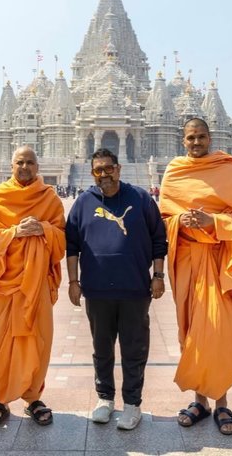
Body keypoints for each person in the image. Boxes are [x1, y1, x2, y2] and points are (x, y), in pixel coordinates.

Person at [158, 118, 232, 436]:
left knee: (219, 331)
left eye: (201, 136)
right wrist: (180, 222)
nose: (196, 142)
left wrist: (212, 221)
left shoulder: (227, 169)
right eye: (190, 138)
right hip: (188, 263)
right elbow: (163, 219)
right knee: (192, 333)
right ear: (183, 141)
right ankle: (200, 401)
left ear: (210, 137)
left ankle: (222, 402)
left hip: (220, 263)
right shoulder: (174, 170)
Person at [65, 148, 167, 430]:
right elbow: (71, 245)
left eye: (109, 168)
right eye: (98, 170)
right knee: (101, 348)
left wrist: (158, 275)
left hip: (134, 288)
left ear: (119, 169)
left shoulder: (142, 198)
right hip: (97, 290)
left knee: (134, 348)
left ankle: (132, 404)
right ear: (92, 173)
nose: (104, 174)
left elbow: (160, 239)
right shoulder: (84, 202)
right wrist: (73, 282)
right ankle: (105, 399)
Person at [0, 146, 65, 430]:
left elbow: (62, 239)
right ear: (11, 165)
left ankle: (34, 397)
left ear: (38, 167)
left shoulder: (49, 198)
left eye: (29, 162)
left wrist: (43, 230)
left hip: (36, 284)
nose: (24, 167)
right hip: (4, 284)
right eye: (19, 162)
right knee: (0, 340)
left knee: (38, 340)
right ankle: (0, 399)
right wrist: (14, 232)